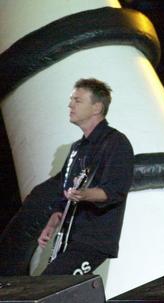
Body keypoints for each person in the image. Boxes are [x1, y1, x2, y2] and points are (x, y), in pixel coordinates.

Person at [37, 78, 134, 275]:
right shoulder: (76, 148)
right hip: (67, 239)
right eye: (71, 99)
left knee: (49, 286)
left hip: (93, 241)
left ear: (97, 107)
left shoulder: (117, 142)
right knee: (56, 296)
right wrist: (52, 223)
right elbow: (63, 194)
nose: (70, 104)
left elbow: (114, 191)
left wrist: (84, 194)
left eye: (77, 100)